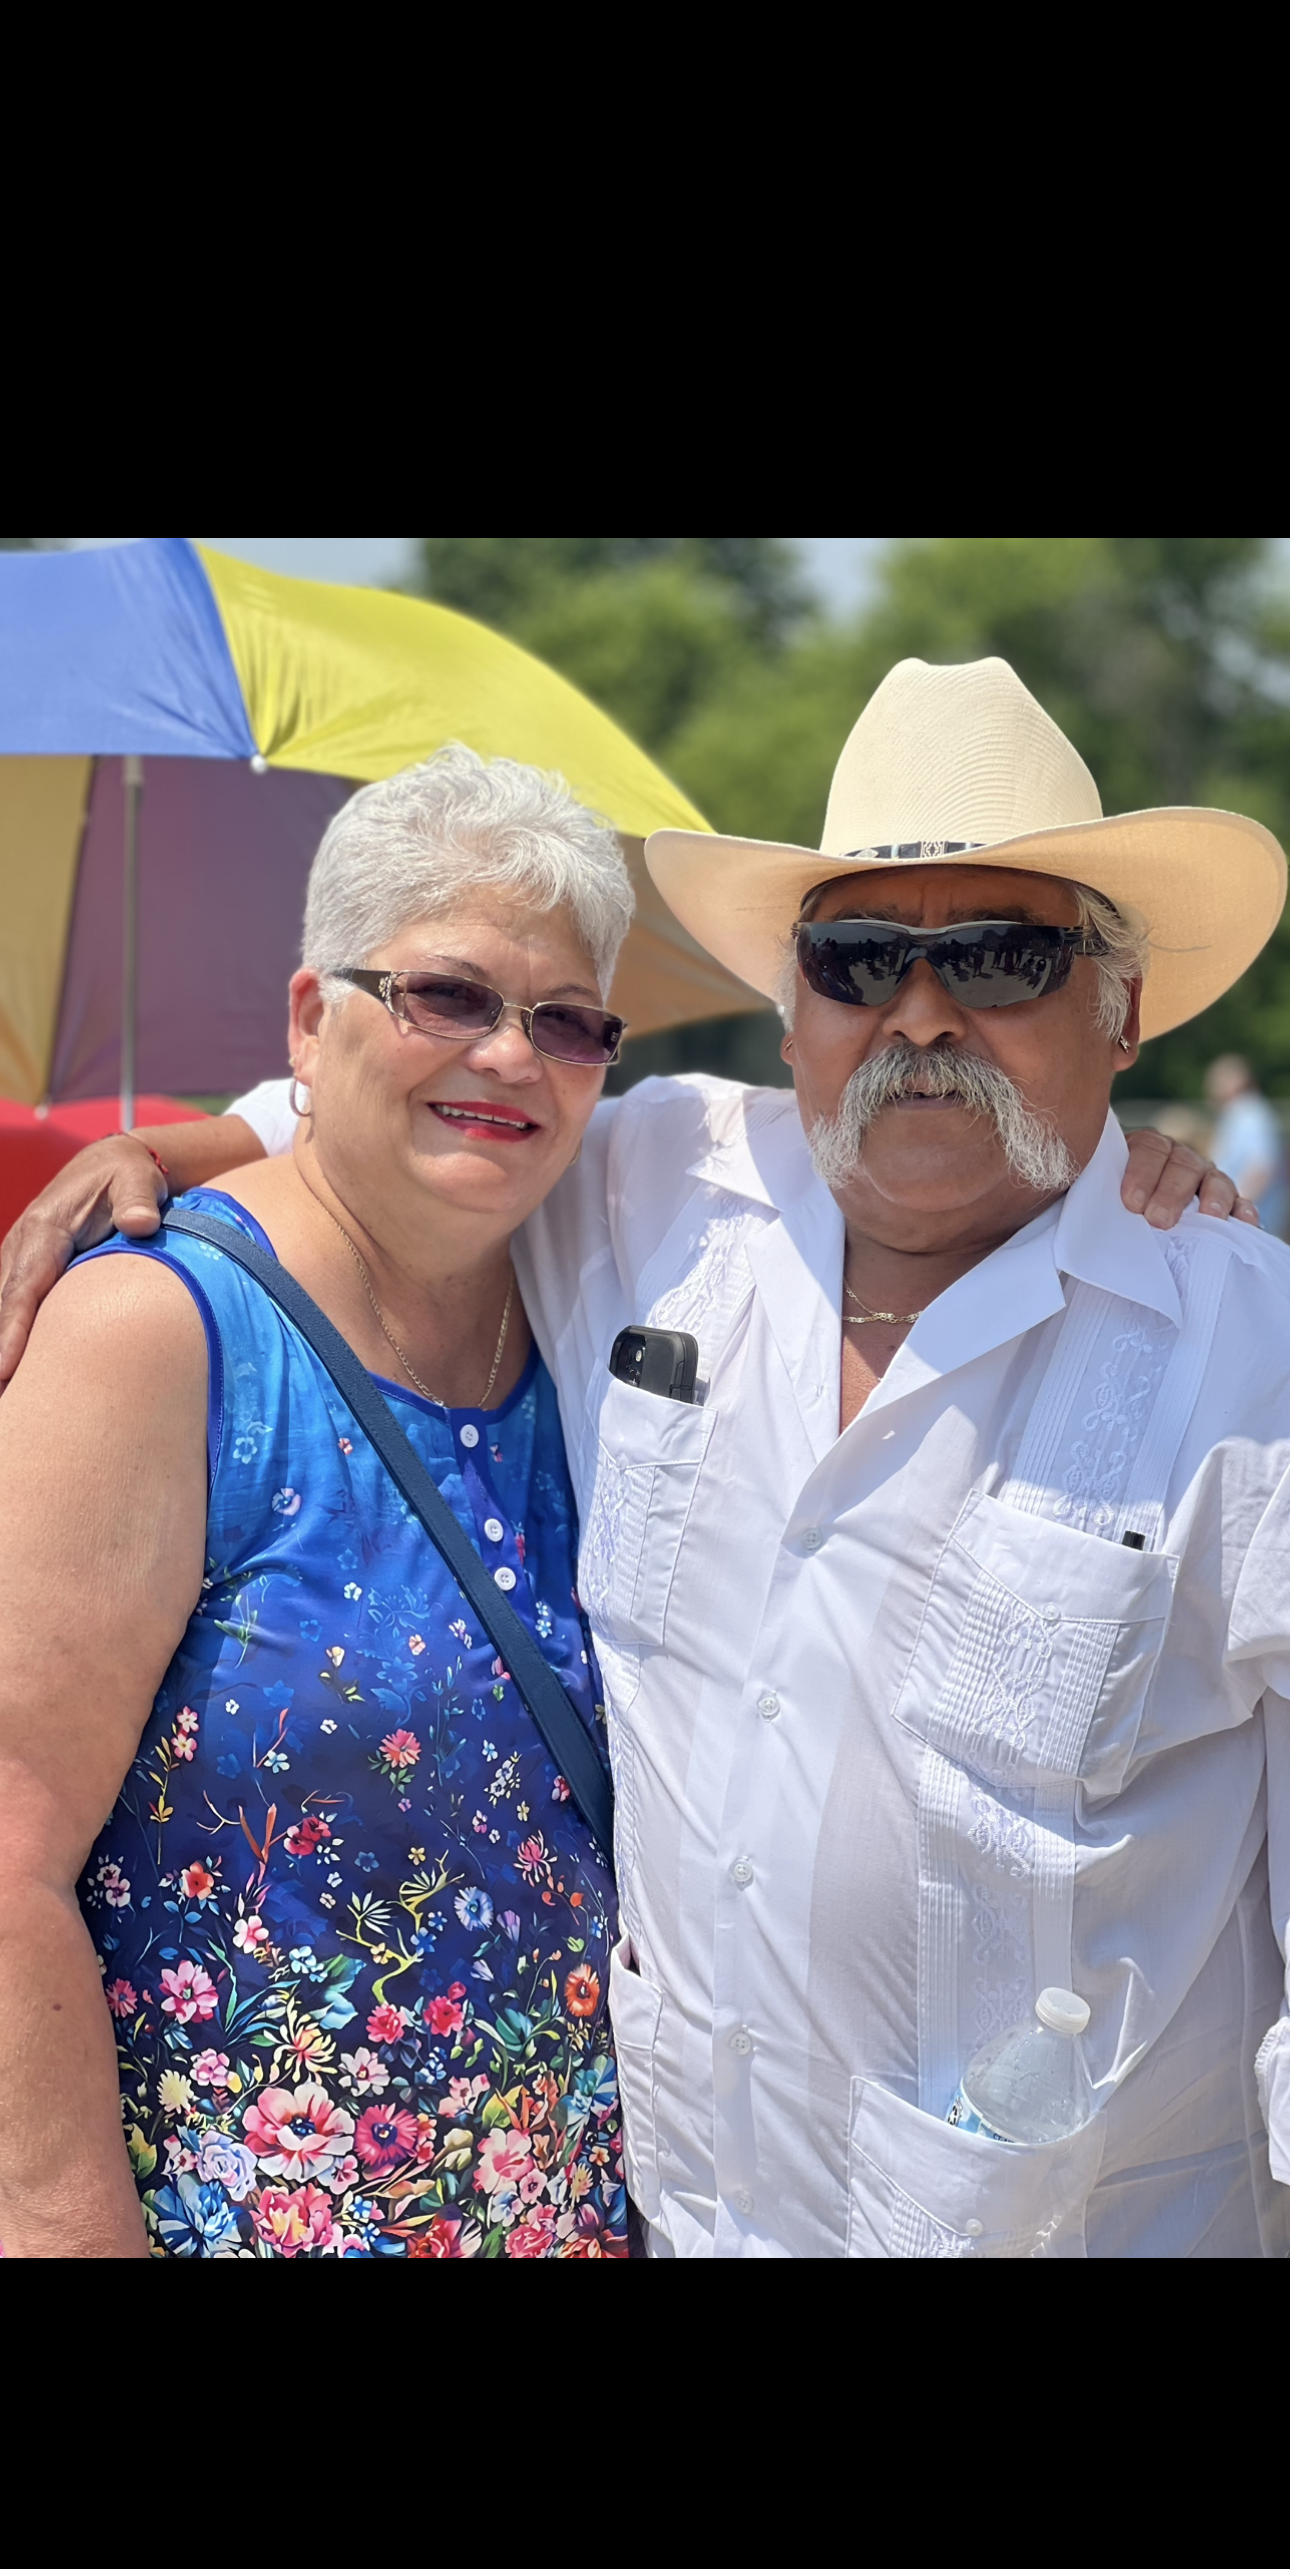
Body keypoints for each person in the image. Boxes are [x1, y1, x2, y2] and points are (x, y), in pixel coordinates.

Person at [0, 670, 1279, 2262]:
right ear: (798, 1000)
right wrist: (159, 1152)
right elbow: (404, 1097)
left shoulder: (1247, 1358)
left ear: (1122, 1007)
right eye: (860, 958)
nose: (924, 1015)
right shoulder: (664, 1185)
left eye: (1005, 959)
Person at [0, 750, 633, 2257]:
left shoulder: (595, 1299)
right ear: (307, 1018)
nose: (508, 1058)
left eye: (564, 1022)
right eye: (448, 997)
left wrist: (1141, 1185)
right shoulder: (159, 1332)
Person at [1205, 1052, 1288, 1239]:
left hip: (1251, 1222)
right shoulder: (1244, 1113)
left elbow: (1261, 1167)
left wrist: (1235, 1204)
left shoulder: (1249, 1114)